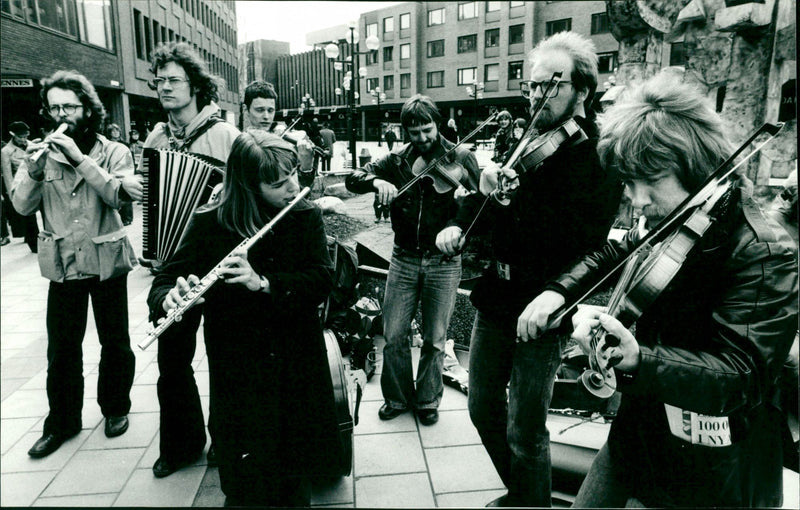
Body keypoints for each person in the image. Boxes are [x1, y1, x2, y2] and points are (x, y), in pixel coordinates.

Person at [522, 72, 798, 507]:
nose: (635, 200)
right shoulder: (670, 218)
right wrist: (559, 291)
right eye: (626, 184)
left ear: (689, 162)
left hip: (710, 464)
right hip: (638, 432)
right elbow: (611, 253)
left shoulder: (763, 250)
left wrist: (640, 359)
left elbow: (743, 374)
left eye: (642, 182)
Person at [436, 31, 622, 507]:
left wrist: (521, 196)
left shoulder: (598, 157)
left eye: (551, 86)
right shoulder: (525, 138)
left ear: (581, 91)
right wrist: (469, 212)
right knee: (481, 409)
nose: (539, 97)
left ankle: (531, 500)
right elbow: (492, 207)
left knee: (525, 428)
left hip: (544, 306)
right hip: (496, 298)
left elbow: (591, 246)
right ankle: (520, 491)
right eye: (534, 86)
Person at [147, 130, 339, 506]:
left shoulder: (304, 216)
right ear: (248, 185)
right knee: (243, 480)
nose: (292, 188)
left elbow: (321, 281)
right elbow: (165, 278)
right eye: (277, 183)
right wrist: (169, 297)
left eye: (294, 176)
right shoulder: (211, 222)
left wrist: (264, 282)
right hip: (238, 366)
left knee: (292, 475)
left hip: (295, 363)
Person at [11, 70, 139, 458]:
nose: (61, 113)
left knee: (114, 342)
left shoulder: (113, 150)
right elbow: (20, 206)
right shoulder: (39, 154)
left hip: (106, 259)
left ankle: (115, 408)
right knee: (62, 349)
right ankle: (62, 422)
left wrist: (79, 159)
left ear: (87, 109)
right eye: (54, 107)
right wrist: (33, 171)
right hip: (64, 265)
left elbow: (119, 197)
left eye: (69, 106)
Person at [346, 94, 480, 425]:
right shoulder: (397, 160)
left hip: (444, 261)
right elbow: (352, 177)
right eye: (414, 132)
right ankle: (397, 397)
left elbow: (478, 204)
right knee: (393, 335)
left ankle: (428, 399)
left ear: (437, 123)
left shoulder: (461, 156)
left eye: (427, 130)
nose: (422, 139)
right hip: (403, 257)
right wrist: (375, 181)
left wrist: (457, 225)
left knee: (435, 337)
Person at [139, 41, 240, 478]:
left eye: (172, 80)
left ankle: (227, 437)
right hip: (171, 266)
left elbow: (245, 200)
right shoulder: (157, 136)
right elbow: (149, 192)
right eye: (159, 81)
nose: (163, 88)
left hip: (215, 264)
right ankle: (181, 443)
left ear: (195, 86)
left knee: (226, 356)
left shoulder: (226, 136)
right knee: (172, 362)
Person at [1, 121, 40, 251]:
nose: (24, 139)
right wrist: (12, 195)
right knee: (28, 215)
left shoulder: (33, 145)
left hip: (38, 182)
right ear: (13, 135)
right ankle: (34, 244)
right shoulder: (6, 151)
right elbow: (7, 176)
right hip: (22, 185)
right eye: (20, 137)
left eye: (25, 136)